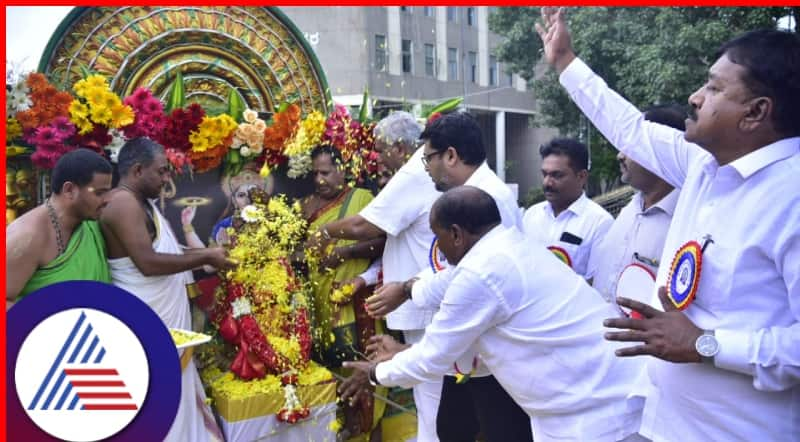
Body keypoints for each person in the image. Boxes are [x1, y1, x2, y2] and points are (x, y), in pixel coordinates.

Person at [536, 7, 800, 440]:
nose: (695, 97)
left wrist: (706, 344)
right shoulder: (702, 165)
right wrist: (566, 62)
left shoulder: (790, 197)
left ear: (756, 112)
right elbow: (629, 129)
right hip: (662, 422)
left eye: (714, 88)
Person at [344, 186, 644, 442]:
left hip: (596, 415)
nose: (440, 251)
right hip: (587, 406)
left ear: (457, 234)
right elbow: (450, 311)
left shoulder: (482, 274)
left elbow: (432, 357)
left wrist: (374, 372)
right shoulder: (507, 247)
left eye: (439, 238)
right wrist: (406, 311)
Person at [355, 112, 532, 442]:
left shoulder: (486, 198)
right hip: (477, 347)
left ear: (450, 155)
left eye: (428, 159)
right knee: (448, 423)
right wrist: (408, 290)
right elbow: (455, 273)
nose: (426, 169)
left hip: (497, 350)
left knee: (483, 426)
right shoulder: (475, 192)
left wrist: (382, 369)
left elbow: (468, 280)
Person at [311, 111, 443, 442]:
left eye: (383, 150)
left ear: (400, 148)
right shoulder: (420, 173)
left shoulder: (413, 174)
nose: (380, 160)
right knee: (426, 395)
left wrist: (328, 234)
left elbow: (367, 227)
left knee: (430, 399)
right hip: (415, 299)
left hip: (422, 302)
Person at [99, 137, 233, 442]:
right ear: (137, 170)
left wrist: (211, 254)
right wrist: (208, 256)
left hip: (163, 322)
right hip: (147, 321)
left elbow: (166, 252)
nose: (166, 178)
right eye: (161, 171)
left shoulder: (139, 203)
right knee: (157, 399)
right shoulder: (122, 203)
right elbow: (148, 262)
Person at [301, 144, 386, 440]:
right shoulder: (307, 206)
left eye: (326, 172)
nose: (319, 179)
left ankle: (368, 429)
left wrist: (344, 254)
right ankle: (345, 427)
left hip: (357, 299)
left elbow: (384, 242)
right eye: (315, 173)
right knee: (334, 367)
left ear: (344, 171)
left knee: (360, 370)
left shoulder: (362, 199)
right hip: (323, 301)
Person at [588, 105, 685, 308]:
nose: (620, 156)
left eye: (632, 146)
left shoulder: (687, 222)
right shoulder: (629, 209)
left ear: (663, 151)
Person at [6, 148, 113, 307]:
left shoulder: (91, 225)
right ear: (69, 190)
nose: (107, 200)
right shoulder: (27, 236)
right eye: (99, 193)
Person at [522, 138, 613, 277]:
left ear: (582, 176)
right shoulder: (531, 215)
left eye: (557, 175)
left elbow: (598, 283)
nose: (547, 183)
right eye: (544, 174)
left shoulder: (600, 223)